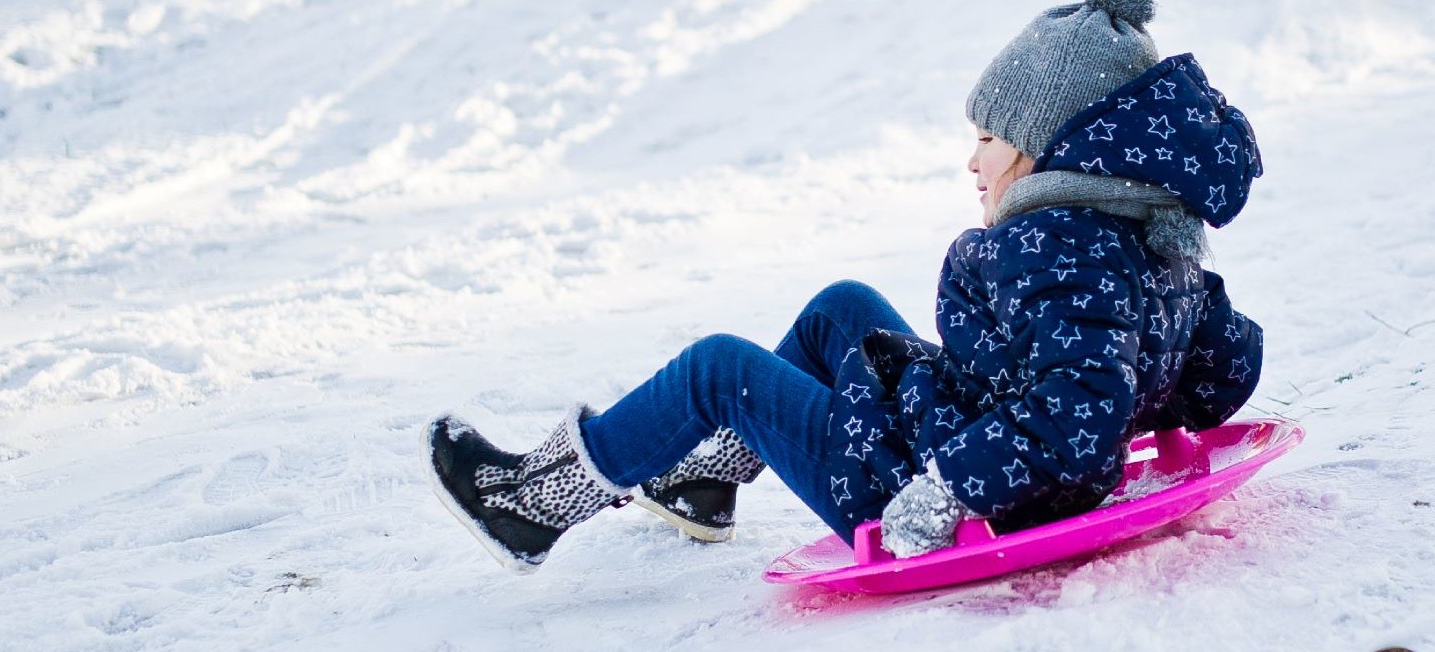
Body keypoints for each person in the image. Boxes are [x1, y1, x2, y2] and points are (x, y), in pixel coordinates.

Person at [425, 0, 1265, 571]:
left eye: (988, 137)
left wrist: (950, 488)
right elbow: (1214, 367)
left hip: (931, 487)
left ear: (1050, 146)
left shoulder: (1060, 247)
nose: (972, 162)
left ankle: (536, 502)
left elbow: (1076, 412)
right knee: (843, 308)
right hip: (977, 439)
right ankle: (706, 479)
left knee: (718, 367)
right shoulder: (1148, 239)